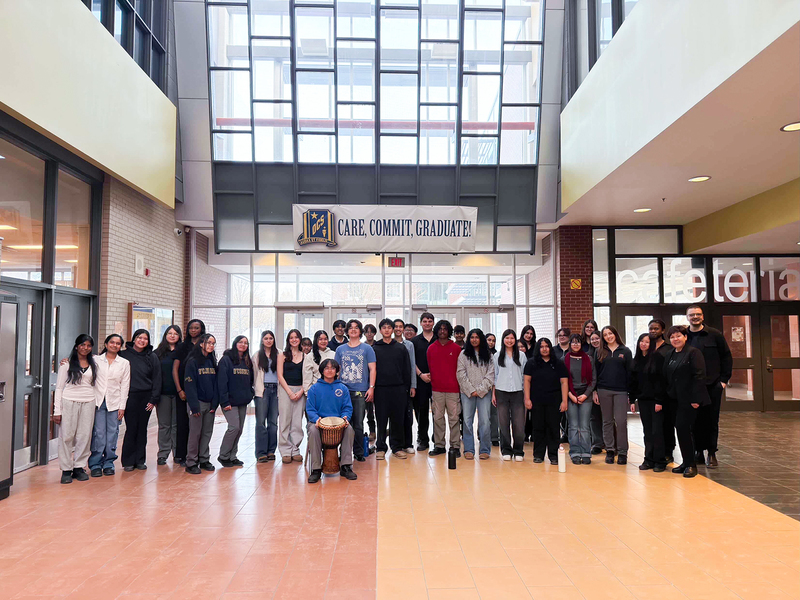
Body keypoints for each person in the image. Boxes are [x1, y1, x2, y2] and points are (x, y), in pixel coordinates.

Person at [686, 305, 732, 468]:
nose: (695, 317)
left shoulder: (715, 335)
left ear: (703, 316)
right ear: (687, 317)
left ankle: (711, 453)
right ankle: (698, 452)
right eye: (692, 315)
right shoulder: (684, 335)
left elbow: (726, 357)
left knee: (711, 420)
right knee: (694, 421)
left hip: (712, 385)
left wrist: (723, 381)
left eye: (698, 314)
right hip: (691, 387)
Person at [664, 325, 710, 478]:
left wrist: (696, 398)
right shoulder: (670, 354)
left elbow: (699, 376)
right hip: (674, 400)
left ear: (685, 337)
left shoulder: (693, 353)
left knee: (686, 430)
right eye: (672, 337)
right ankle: (685, 462)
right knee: (680, 430)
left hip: (689, 400)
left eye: (678, 336)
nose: (675, 339)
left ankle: (691, 465)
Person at [54, 335, 98, 484]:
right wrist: (56, 411)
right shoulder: (66, 364)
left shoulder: (94, 363)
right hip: (69, 401)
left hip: (88, 401)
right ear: (76, 346)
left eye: (88, 345)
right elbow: (59, 388)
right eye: (82, 345)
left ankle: (79, 467)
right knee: (67, 436)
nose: (85, 348)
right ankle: (66, 469)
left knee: (84, 436)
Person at [306, 359, 357, 483]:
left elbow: (347, 408)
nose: (329, 370)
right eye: (327, 368)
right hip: (318, 422)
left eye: (332, 368)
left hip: (338, 422)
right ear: (322, 371)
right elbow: (310, 409)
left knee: (349, 429)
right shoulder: (314, 389)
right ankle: (316, 469)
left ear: (337, 371)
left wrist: (345, 418)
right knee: (313, 430)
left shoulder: (342, 388)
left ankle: (345, 466)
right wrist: (316, 419)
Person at [334, 319, 376, 463]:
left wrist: (371, 388)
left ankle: (358, 452)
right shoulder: (340, 350)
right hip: (343, 392)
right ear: (347, 331)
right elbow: (336, 371)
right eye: (350, 328)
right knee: (343, 423)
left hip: (360, 392)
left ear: (360, 331)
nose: (353, 330)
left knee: (358, 423)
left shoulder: (367, 349)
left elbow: (372, 369)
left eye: (356, 328)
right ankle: (343, 453)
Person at [89, 334, 130, 477]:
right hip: (98, 401)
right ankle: (95, 463)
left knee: (112, 434)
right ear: (106, 344)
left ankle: (108, 463)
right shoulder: (95, 360)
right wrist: (66, 361)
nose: (114, 345)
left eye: (118, 343)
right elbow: (80, 363)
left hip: (115, 402)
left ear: (121, 346)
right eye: (112, 342)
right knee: (99, 433)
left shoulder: (124, 363)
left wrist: (122, 406)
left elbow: (125, 386)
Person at [120, 329, 161, 471]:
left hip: (146, 398)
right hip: (129, 396)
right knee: (131, 428)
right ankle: (128, 461)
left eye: (145, 338)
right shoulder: (123, 355)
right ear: (134, 339)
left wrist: (153, 399)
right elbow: (103, 359)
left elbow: (157, 378)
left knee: (142, 428)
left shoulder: (152, 356)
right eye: (139, 337)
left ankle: (140, 460)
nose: (142, 341)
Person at [372, 319, 413, 459]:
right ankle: (381, 448)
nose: (387, 330)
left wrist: (406, 388)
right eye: (384, 328)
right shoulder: (375, 348)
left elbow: (407, 369)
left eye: (390, 327)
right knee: (381, 419)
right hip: (380, 390)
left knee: (397, 420)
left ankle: (396, 447)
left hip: (399, 389)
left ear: (393, 330)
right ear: (380, 330)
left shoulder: (401, 348)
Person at [525, 338, 569, 464]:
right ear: (538, 349)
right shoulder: (531, 363)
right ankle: (538, 454)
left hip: (554, 400)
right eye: (541, 346)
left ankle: (553, 455)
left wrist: (564, 401)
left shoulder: (558, 363)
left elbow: (564, 382)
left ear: (550, 348)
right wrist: (527, 399)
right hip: (536, 400)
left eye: (547, 346)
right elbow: (527, 381)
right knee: (538, 427)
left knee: (553, 428)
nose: (544, 349)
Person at [629, 333, 668, 472]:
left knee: (657, 431)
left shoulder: (657, 358)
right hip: (643, 400)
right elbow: (633, 382)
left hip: (656, 401)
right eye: (641, 341)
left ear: (651, 344)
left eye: (646, 342)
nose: (643, 344)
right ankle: (648, 459)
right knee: (647, 432)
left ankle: (660, 461)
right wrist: (632, 400)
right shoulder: (637, 359)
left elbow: (661, 381)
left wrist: (659, 400)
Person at [595, 326, 632, 465]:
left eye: (610, 333)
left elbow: (630, 373)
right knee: (607, 421)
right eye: (605, 335)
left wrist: (630, 394)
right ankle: (610, 450)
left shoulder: (625, 351)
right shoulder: (600, 352)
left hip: (621, 391)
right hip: (603, 390)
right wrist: (594, 391)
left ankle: (622, 452)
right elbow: (596, 372)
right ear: (603, 337)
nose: (608, 336)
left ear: (615, 334)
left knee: (621, 421)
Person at [457, 329, 494, 460]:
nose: (474, 339)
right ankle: (468, 449)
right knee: (467, 421)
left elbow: (491, 374)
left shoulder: (488, 355)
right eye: (472, 337)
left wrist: (480, 390)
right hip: (467, 393)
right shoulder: (463, 354)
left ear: (481, 339)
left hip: (484, 393)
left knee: (484, 421)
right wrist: (471, 390)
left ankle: (484, 449)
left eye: (477, 337)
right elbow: (460, 374)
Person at [172, 319, 206, 466]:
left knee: (199, 427)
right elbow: (175, 369)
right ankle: (181, 455)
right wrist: (179, 389)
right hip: (184, 390)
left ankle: (198, 455)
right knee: (183, 423)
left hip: (200, 392)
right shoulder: (182, 346)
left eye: (196, 328)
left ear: (201, 329)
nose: (193, 330)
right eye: (191, 328)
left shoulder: (205, 346)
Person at [183, 334, 219, 474]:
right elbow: (189, 385)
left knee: (207, 433)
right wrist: (194, 405)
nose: (211, 345)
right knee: (195, 433)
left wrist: (214, 404)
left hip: (210, 404)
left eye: (213, 343)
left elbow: (216, 384)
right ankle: (191, 462)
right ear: (201, 344)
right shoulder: (192, 362)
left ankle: (204, 459)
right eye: (209, 342)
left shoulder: (211, 361)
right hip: (197, 403)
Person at [426, 320, 462, 456]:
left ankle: (455, 446)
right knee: (438, 418)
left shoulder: (456, 349)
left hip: (453, 389)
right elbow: (429, 367)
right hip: (437, 389)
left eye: (445, 329)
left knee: (454, 418)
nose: (442, 331)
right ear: (436, 330)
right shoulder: (431, 348)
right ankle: (439, 445)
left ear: (449, 331)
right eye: (440, 329)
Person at [217, 336, 254, 467]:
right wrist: (225, 401)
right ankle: (223, 455)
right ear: (235, 343)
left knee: (239, 429)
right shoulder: (226, 360)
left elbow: (251, 380)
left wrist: (250, 394)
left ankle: (232, 456)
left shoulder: (247, 361)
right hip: (229, 402)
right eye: (240, 342)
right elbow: (221, 382)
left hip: (242, 401)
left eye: (246, 343)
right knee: (234, 427)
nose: (243, 345)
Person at [493, 329, 525, 461]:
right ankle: (506, 449)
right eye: (507, 338)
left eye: (512, 338)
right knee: (503, 422)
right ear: (503, 340)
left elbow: (524, 376)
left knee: (518, 424)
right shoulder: (497, 355)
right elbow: (494, 376)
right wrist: (493, 394)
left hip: (518, 392)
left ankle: (518, 450)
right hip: (501, 392)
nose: (509, 341)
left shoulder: (522, 356)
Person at [565, 334, 596, 465]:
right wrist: (570, 395)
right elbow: (562, 381)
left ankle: (586, 452)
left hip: (586, 396)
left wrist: (586, 394)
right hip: (570, 395)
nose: (575, 345)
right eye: (573, 343)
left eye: (578, 343)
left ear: (581, 344)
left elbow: (593, 379)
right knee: (573, 426)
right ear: (570, 344)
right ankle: (575, 452)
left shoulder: (588, 359)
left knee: (584, 426)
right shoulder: (564, 359)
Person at [154, 325, 182, 466]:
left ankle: (177, 453)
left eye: (175, 333)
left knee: (177, 425)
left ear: (179, 336)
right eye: (170, 333)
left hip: (179, 394)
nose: (172, 336)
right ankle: (163, 454)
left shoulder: (184, 351)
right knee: (164, 425)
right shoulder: (158, 352)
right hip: (163, 394)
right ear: (165, 335)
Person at [649, 319, 676, 463]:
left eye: (656, 328)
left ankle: (668, 451)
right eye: (651, 328)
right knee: (654, 427)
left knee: (667, 424)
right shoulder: (647, 347)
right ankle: (655, 451)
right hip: (650, 393)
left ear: (663, 331)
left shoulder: (668, 348)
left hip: (666, 393)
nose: (653, 331)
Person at [278, 329, 306, 463]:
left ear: (300, 339)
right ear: (288, 340)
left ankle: (295, 449)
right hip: (285, 389)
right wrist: (289, 392)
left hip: (300, 390)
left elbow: (307, 377)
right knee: (285, 421)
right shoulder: (282, 355)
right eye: (291, 337)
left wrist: (300, 391)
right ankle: (285, 451)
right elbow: (279, 375)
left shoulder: (305, 356)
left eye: (296, 337)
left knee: (297, 422)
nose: (294, 340)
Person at [253, 330, 280, 463]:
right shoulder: (257, 355)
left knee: (273, 423)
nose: (269, 340)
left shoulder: (279, 354)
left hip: (276, 390)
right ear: (262, 340)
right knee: (260, 422)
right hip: (262, 390)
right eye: (266, 338)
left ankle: (271, 451)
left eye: (271, 338)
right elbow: (254, 375)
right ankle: (261, 452)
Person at [411, 312, 436, 451]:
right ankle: (422, 439)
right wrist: (421, 375)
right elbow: (412, 362)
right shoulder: (415, 341)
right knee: (422, 412)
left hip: (436, 382)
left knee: (437, 412)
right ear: (421, 323)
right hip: (420, 381)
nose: (427, 323)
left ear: (433, 323)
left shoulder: (439, 339)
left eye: (430, 321)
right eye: (425, 321)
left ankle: (437, 438)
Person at [393, 319, 417, 455]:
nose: (398, 329)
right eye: (395, 326)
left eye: (400, 326)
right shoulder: (388, 344)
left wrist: (413, 385)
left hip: (406, 385)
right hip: (392, 386)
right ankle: (397, 445)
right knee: (395, 417)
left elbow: (412, 365)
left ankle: (408, 443)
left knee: (407, 416)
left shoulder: (409, 345)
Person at [588, 330, 605, 455]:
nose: (595, 341)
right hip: (593, 390)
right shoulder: (589, 354)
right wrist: (594, 391)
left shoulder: (607, 353)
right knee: (594, 417)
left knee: (608, 417)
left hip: (606, 388)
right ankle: (597, 443)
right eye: (592, 339)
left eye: (597, 338)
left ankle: (610, 443)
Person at [485, 333, 500, 447]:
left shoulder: (498, 354)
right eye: (489, 340)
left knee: (494, 413)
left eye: (493, 340)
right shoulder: (481, 354)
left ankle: (495, 436)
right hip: (483, 387)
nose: (491, 342)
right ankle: (483, 435)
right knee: (484, 414)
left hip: (495, 387)